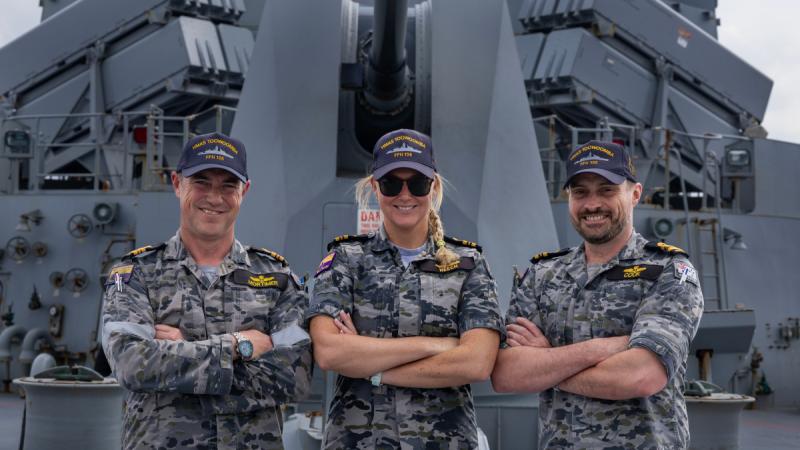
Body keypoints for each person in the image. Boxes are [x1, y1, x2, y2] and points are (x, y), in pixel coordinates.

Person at [102, 132, 312, 450]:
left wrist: (183, 352)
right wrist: (237, 347)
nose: (214, 197)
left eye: (228, 185)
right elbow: (132, 364)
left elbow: (294, 378)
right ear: (177, 184)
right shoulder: (135, 274)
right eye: (201, 182)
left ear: (245, 190)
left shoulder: (277, 278)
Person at [492, 140, 704, 448]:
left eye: (606, 190)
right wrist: (606, 348)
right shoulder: (543, 275)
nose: (592, 204)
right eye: (580, 192)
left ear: (635, 194)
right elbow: (506, 375)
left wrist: (546, 361)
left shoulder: (668, 271)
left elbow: (642, 376)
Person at [308, 129, 504, 449]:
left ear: (433, 186)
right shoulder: (345, 260)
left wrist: (372, 369)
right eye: (390, 183)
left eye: (416, 183)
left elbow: (477, 362)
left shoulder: (468, 264)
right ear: (374, 187)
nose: (404, 194)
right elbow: (330, 352)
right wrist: (438, 346)